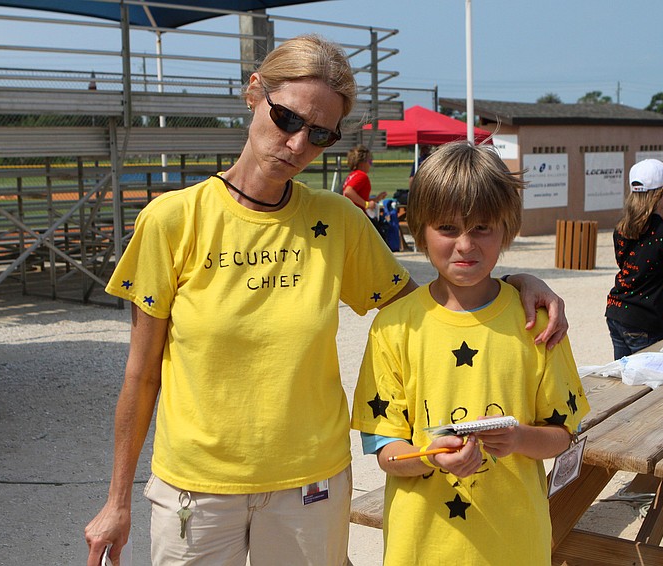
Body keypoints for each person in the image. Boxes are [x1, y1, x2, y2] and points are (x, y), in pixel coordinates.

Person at [83, 35, 570, 566]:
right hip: (196, 488)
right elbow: (141, 374)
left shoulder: (338, 222)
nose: (297, 145)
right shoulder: (173, 220)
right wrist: (116, 501)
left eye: (319, 135)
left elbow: (430, 305)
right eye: (287, 119)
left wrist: (517, 281)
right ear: (254, 93)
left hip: (309, 487)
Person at [351, 141, 590, 566]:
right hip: (421, 548)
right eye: (446, 228)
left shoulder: (536, 319)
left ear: (507, 228)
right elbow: (387, 452)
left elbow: (561, 435)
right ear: (420, 228)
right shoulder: (393, 327)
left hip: (514, 543)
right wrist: (431, 456)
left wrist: (517, 438)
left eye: (482, 227)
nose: (465, 245)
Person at [605, 159, 663, 359]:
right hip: (645, 318)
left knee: (626, 375)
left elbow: (634, 260)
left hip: (616, 309)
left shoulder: (621, 227)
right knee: (651, 380)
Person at [341, 144, 386, 213]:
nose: (370, 165)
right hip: (355, 215)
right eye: (370, 161)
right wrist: (366, 205)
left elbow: (358, 198)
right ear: (362, 163)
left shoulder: (352, 175)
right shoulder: (361, 175)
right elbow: (348, 192)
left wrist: (376, 199)